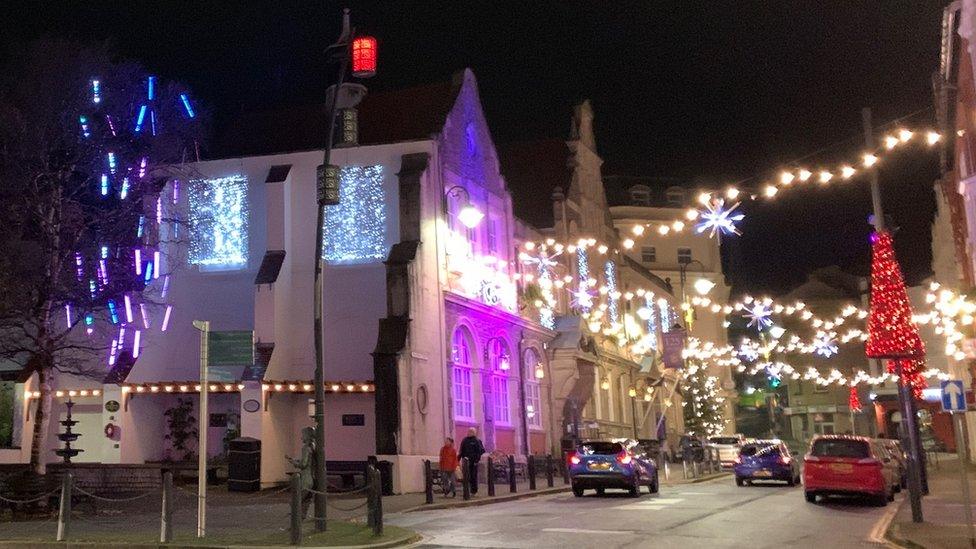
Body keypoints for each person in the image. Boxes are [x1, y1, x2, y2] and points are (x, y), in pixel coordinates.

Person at [287, 427, 316, 518]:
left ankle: (296, 525)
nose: (301, 438)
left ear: (307, 436)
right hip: (312, 478)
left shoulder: (305, 448)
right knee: (305, 502)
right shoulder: (313, 446)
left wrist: (294, 462)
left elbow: (303, 464)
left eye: (302, 435)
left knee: (295, 501)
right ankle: (300, 521)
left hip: (305, 479)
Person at [458, 427, 485, 495]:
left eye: (470, 431)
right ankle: (467, 490)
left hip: (473, 461)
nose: (469, 432)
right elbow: (461, 450)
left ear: (474, 433)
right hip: (466, 461)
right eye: (468, 431)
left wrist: (476, 460)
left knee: (473, 476)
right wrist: (458, 459)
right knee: (466, 475)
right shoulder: (465, 440)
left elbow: (480, 451)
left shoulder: (477, 441)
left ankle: (474, 490)